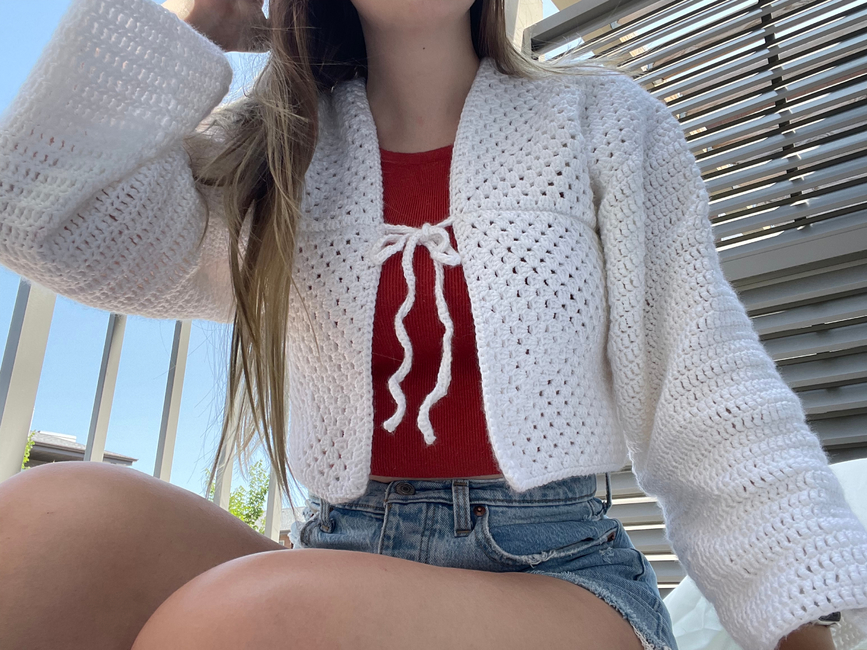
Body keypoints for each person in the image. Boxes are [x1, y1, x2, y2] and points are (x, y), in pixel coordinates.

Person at [0, 0, 863, 649]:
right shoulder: (273, 152)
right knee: (40, 532)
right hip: (336, 550)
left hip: (558, 574)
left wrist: (800, 625)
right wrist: (191, 26)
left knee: (244, 622)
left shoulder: (602, 120)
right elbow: (35, 216)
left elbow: (710, 399)